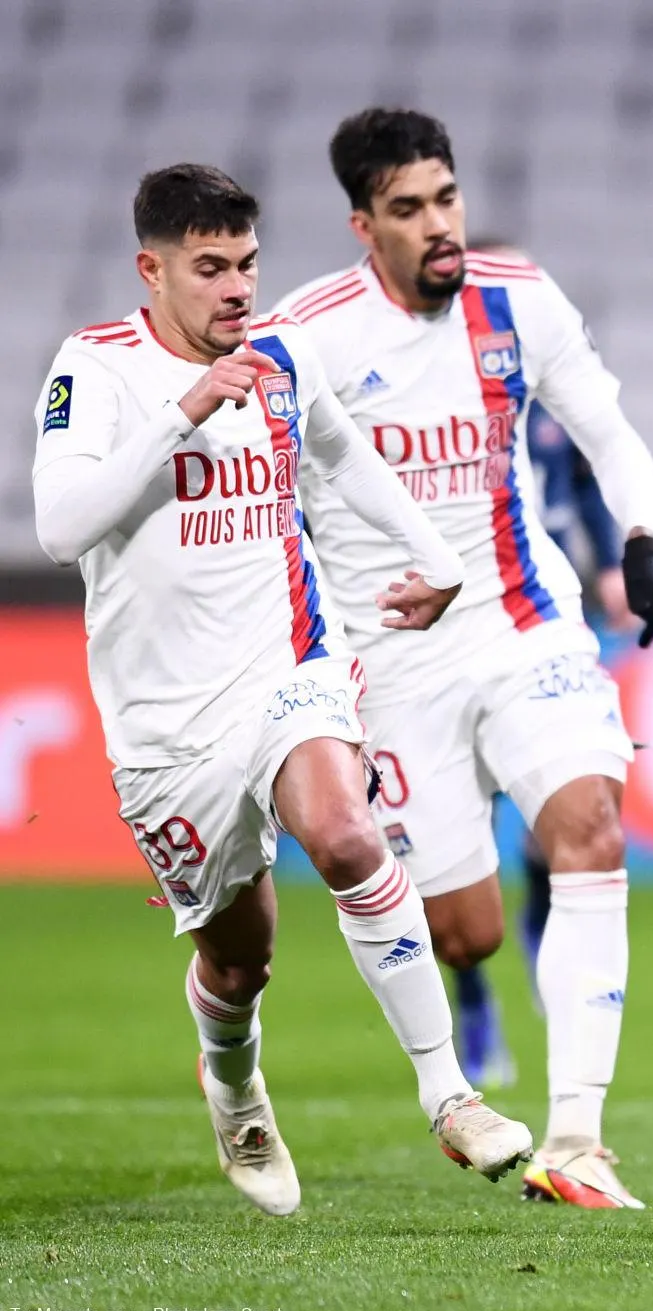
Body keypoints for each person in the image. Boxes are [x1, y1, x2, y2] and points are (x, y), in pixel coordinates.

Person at [30, 164, 535, 1216]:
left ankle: (448, 1094)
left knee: (346, 833)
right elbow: (62, 525)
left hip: (290, 663)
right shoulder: (97, 369)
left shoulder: (278, 358)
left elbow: (345, 458)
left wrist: (434, 554)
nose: (235, 289)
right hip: (166, 724)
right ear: (152, 270)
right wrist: (180, 413)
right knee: (238, 955)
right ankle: (235, 1085)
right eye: (209, 268)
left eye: (247, 264)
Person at [276, 109, 653, 1210]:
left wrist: (641, 537)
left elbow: (604, 429)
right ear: (365, 225)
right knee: (468, 928)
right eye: (408, 210)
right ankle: (461, 1050)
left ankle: (579, 1141)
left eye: (445, 198)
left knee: (589, 824)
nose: (438, 226)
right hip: (393, 661)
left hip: (523, 618)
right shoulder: (308, 335)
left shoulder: (520, 299)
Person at [450, 236, 642, 1090]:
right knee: (459, 839)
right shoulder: (443, 410)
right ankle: (473, 998)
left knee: (556, 805)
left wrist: (610, 561)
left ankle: (540, 926)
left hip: (547, 615)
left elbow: (592, 482)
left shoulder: (544, 402)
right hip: (454, 632)